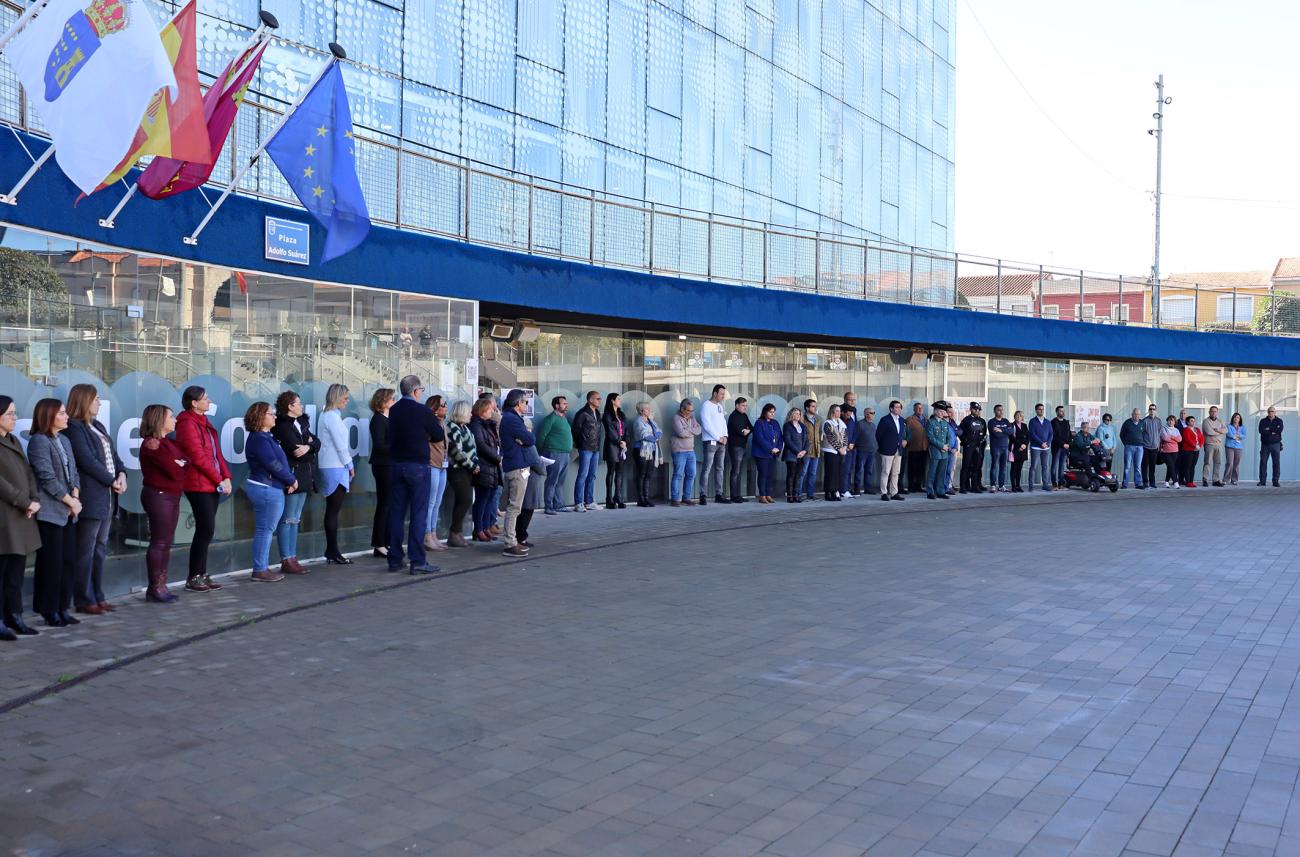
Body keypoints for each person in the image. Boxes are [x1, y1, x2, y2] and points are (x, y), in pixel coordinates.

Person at [64, 384, 125, 615]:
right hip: (92, 497)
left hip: (109, 497)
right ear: (84, 400)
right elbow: (87, 461)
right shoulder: (74, 428)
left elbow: (114, 457)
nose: (99, 403)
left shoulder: (98, 426)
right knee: (86, 550)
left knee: (100, 548)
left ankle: (99, 595)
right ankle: (84, 598)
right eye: (96, 399)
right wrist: (112, 480)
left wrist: (122, 475)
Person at [27, 398, 81, 626]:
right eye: (61, 413)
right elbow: (47, 477)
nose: (66, 416)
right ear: (48, 416)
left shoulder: (65, 440)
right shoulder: (39, 441)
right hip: (51, 511)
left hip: (69, 510)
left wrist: (75, 498)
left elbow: (74, 473)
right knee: (52, 563)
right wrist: (70, 501)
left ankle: (62, 607)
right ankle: (49, 610)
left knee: (68, 561)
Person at [175, 386, 230, 593]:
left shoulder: (205, 423)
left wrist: (227, 477)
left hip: (211, 483)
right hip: (198, 484)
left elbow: (216, 454)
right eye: (205, 399)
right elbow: (198, 457)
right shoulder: (187, 423)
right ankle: (194, 576)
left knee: (207, 529)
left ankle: (202, 573)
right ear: (194, 403)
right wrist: (219, 479)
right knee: (205, 528)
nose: (209, 401)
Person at [388, 375, 444, 574]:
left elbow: (389, 436)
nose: (421, 393)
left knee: (396, 513)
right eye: (421, 389)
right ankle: (417, 560)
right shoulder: (422, 411)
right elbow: (438, 435)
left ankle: (394, 559)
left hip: (396, 465)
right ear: (415, 391)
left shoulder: (393, 410)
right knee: (418, 515)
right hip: (418, 466)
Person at [243, 402, 297, 583]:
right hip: (266, 488)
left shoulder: (266, 436)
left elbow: (277, 464)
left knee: (266, 529)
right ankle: (260, 569)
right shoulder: (259, 438)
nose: (274, 416)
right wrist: (290, 480)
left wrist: (286, 479)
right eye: (270, 413)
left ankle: (261, 568)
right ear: (260, 417)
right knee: (265, 529)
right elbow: (272, 464)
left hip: (271, 487)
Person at [0, 395, 41, 637]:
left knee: (15, 571)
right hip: (6, 516)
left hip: (21, 514)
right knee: (3, 571)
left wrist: (34, 499)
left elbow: (27, 474)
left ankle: (15, 616)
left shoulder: (13, 440)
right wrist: (25, 501)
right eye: (9, 414)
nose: (15, 418)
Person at [137, 404, 185, 603]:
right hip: (159, 495)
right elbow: (174, 470)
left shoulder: (168, 443)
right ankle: (155, 587)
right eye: (171, 416)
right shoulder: (152, 444)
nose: (175, 420)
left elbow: (186, 462)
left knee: (165, 542)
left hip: (170, 495)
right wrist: (179, 465)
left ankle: (162, 585)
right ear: (159, 420)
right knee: (160, 542)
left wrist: (180, 464)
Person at [272, 391, 319, 575]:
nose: (301, 406)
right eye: (298, 403)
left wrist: (309, 446)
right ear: (290, 406)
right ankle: (286, 558)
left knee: (296, 518)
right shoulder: (283, 426)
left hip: (305, 474)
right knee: (288, 517)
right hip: (293, 475)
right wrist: (309, 446)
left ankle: (293, 556)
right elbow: (293, 450)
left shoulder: (302, 422)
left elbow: (317, 442)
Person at [317, 384, 355, 565]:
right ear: (337, 397)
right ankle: (333, 550)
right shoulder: (331, 416)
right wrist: (349, 464)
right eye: (345, 398)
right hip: (335, 466)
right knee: (333, 510)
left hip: (332, 465)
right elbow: (340, 445)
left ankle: (332, 550)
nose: (347, 401)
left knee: (333, 510)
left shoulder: (330, 416)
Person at [499, 389, 536, 557]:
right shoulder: (511, 419)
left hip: (518, 465)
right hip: (516, 466)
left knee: (516, 507)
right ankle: (510, 543)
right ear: (518, 403)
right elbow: (529, 439)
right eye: (525, 402)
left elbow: (526, 440)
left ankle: (513, 540)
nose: (526, 405)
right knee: (514, 507)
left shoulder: (512, 418)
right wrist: (525, 436)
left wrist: (524, 438)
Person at [445, 400, 478, 547]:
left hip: (467, 470)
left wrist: (475, 465)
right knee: (464, 500)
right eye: (469, 411)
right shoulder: (452, 427)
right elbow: (456, 451)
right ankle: (454, 533)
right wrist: (471, 465)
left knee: (465, 501)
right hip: (458, 469)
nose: (471, 414)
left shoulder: (465, 428)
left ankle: (457, 533)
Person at [367, 388, 395, 557]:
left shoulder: (388, 419)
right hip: (383, 465)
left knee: (389, 504)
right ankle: (379, 543)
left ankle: (385, 541)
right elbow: (379, 445)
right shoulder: (378, 420)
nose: (394, 402)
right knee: (384, 504)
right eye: (391, 399)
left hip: (390, 464)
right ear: (383, 402)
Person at [469, 397, 502, 541]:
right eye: (489, 409)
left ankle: (486, 526)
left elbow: (494, 443)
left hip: (491, 466)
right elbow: (481, 445)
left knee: (489, 498)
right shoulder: (477, 425)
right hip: (484, 465)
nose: (492, 411)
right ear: (482, 410)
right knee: (482, 499)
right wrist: (497, 457)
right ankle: (479, 529)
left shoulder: (487, 424)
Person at [535, 395, 573, 515]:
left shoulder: (564, 418)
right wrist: (543, 453)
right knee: (552, 480)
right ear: (557, 405)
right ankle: (549, 506)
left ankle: (559, 505)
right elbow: (541, 437)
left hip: (565, 454)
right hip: (554, 453)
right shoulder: (550, 419)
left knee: (560, 481)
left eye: (566, 403)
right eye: (564, 403)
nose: (566, 405)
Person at [423, 395, 450, 552]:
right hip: (432, 465)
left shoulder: (442, 423)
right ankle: (427, 535)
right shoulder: (429, 424)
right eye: (443, 405)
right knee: (430, 502)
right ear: (434, 409)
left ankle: (433, 533)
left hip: (442, 467)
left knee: (437, 503)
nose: (446, 407)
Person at [571, 391, 602, 511]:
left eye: (600, 399)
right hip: (585, 448)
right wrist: (581, 445)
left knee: (592, 475)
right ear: (590, 400)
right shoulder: (582, 413)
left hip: (595, 448)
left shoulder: (597, 413)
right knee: (582, 475)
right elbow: (575, 431)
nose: (599, 400)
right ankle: (578, 503)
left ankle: (589, 501)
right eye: (597, 398)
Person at [699, 384, 729, 504]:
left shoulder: (720, 406)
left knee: (720, 468)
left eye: (724, 394)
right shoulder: (706, 405)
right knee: (707, 468)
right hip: (711, 442)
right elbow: (706, 424)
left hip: (722, 442)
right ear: (715, 393)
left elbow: (722, 423)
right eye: (721, 394)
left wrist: (725, 436)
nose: (723, 396)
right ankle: (703, 495)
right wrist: (718, 437)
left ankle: (719, 494)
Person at [515, 442, 547, 549]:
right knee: (527, 509)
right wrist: (543, 466)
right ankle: (521, 538)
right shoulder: (529, 445)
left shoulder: (515, 444)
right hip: (529, 479)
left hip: (521, 477)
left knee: (521, 509)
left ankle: (519, 536)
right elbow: (537, 464)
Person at [631, 401, 662, 507]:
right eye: (646, 408)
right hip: (641, 450)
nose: (649, 410)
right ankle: (641, 499)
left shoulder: (651, 421)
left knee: (649, 474)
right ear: (641, 410)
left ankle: (646, 498)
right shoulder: (638, 421)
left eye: (649, 408)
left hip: (651, 450)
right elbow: (643, 435)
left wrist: (654, 436)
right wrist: (654, 437)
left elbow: (659, 431)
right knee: (642, 474)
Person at [670, 400, 701, 507]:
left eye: (692, 410)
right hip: (679, 451)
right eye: (688, 410)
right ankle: (675, 499)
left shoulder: (692, 417)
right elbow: (681, 433)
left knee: (691, 474)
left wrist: (688, 429)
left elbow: (699, 430)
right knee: (678, 475)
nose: (690, 412)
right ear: (682, 409)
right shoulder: (676, 418)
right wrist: (691, 431)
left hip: (690, 450)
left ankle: (686, 498)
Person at [875, 400, 907, 501]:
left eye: (900, 407)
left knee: (896, 472)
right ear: (891, 409)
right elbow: (878, 435)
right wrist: (884, 446)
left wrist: (904, 441)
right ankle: (884, 493)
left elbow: (903, 434)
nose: (899, 409)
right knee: (886, 472)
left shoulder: (902, 420)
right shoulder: (885, 420)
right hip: (887, 450)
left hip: (898, 450)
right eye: (896, 407)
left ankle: (894, 492)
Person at [601, 392, 629, 509]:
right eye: (618, 399)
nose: (620, 401)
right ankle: (609, 499)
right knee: (611, 472)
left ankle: (618, 497)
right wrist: (619, 442)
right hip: (612, 446)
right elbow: (610, 431)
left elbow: (626, 429)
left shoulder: (621, 414)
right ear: (612, 400)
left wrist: (625, 441)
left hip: (622, 446)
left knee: (620, 472)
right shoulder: (607, 415)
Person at [752, 403, 783, 503]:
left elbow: (780, 438)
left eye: (773, 412)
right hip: (762, 454)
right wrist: (771, 448)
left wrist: (778, 448)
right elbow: (759, 439)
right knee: (763, 474)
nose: (772, 414)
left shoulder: (775, 423)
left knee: (770, 474)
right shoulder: (759, 423)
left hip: (773, 454)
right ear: (765, 412)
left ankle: (768, 494)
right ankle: (762, 495)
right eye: (770, 412)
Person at [727, 397, 753, 503]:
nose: (745, 408)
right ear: (737, 405)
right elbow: (739, 431)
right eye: (743, 405)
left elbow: (751, 427)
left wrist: (746, 430)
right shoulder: (733, 416)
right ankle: (734, 496)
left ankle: (738, 495)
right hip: (735, 447)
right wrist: (745, 431)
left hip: (743, 446)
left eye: (746, 406)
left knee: (739, 471)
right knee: (736, 471)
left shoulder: (744, 416)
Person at [958, 402, 987, 493]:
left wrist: (981, 441)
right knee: (966, 466)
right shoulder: (966, 420)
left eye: (978, 410)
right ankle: (963, 486)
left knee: (977, 466)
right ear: (971, 409)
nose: (977, 411)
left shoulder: (982, 421)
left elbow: (984, 433)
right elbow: (959, 432)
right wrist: (965, 441)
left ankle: (975, 486)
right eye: (975, 409)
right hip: (968, 446)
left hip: (978, 446)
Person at [820, 404, 846, 501]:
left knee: (838, 473)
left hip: (840, 452)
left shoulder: (841, 423)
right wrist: (840, 448)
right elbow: (831, 438)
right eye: (837, 411)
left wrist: (844, 447)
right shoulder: (827, 423)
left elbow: (845, 437)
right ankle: (828, 492)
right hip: (830, 451)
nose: (839, 413)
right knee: (830, 473)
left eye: (840, 411)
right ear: (832, 412)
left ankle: (835, 491)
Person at [781, 407, 808, 503]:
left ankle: (797, 495)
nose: (798, 415)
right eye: (796, 413)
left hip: (802, 455)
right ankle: (790, 496)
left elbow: (806, 441)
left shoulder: (803, 426)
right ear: (791, 414)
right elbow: (787, 441)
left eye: (799, 414)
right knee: (791, 475)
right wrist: (797, 452)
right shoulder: (787, 426)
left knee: (798, 475)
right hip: (791, 455)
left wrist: (804, 451)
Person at [926, 402, 950, 500]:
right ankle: (930, 491)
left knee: (942, 472)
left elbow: (949, 436)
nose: (941, 413)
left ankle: (940, 491)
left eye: (943, 411)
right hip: (935, 450)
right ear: (935, 411)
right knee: (932, 471)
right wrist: (941, 446)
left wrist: (947, 445)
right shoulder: (931, 422)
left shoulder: (945, 423)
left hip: (944, 451)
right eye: (939, 411)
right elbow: (930, 437)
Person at [1028, 403, 1053, 492]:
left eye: (1042, 409)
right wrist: (1041, 443)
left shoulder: (1047, 422)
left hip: (1046, 448)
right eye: (1039, 409)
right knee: (1033, 467)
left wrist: (1048, 443)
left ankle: (1045, 485)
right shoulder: (1032, 421)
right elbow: (1032, 434)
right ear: (1036, 410)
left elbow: (1051, 434)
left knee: (1045, 466)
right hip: (1036, 448)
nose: (1041, 411)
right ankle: (1031, 486)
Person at [905, 401, 929, 494]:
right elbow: (906, 433)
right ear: (914, 409)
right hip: (913, 448)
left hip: (924, 448)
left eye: (921, 408)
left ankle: (919, 485)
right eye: (918, 408)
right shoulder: (910, 420)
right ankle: (911, 486)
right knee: (912, 468)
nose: (920, 409)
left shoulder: (926, 420)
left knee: (921, 468)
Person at [1119, 408, 1145, 489]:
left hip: (1140, 447)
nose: (1137, 416)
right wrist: (1126, 444)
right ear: (1132, 414)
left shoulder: (1142, 423)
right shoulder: (1127, 423)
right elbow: (1121, 434)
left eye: (1138, 414)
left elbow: (1144, 434)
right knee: (1127, 466)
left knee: (1138, 466)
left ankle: (1138, 484)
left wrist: (1142, 442)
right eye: (1135, 414)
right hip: (1129, 447)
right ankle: (1125, 484)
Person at [987, 404, 1011, 492]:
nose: (1001, 412)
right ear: (994, 411)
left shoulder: (1006, 421)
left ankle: (1001, 486)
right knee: (994, 466)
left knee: (1003, 467)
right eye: (998, 410)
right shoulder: (991, 422)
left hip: (1005, 447)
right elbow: (995, 434)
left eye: (1002, 410)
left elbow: (1011, 431)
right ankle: (993, 485)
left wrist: (1001, 430)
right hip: (996, 447)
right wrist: (1005, 432)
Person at [799, 399, 819, 502]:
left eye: (815, 406)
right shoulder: (802, 419)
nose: (815, 408)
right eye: (813, 406)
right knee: (802, 472)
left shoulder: (817, 420)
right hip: (806, 450)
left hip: (816, 450)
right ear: (807, 408)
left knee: (813, 473)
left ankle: (810, 494)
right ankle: (799, 493)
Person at [1201, 405, 1226, 487]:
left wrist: (1217, 430)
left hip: (1218, 444)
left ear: (1217, 412)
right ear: (1209, 412)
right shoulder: (1205, 421)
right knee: (1207, 462)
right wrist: (1220, 432)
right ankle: (1205, 479)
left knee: (1218, 462)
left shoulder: (1220, 420)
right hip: (1209, 444)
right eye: (1212, 411)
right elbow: (1209, 432)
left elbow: (1226, 430)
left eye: (1215, 411)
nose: (1213, 413)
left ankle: (1216, 480)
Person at [1258, 406, 1283, 487]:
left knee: (1276, 463)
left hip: (1276, 444)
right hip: (1265, 445)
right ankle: (1262, 481)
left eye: (1272, 411)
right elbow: (1261, 430)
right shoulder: (1263, 421)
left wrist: (1268, 430)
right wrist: (1272, 431)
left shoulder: (1279, 421)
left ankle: (1275, 481)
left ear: (1275, 412)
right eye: (1269, 411)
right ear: (1267, 412)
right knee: (1263, 463)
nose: (1270, 413)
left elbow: (1279, 430)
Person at [1141, 404, 1163, 490]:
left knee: (1152, 466)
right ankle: (1145, 482)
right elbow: (1141, 433)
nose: (1152, 410)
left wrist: (1159, 445)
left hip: (1155, 448)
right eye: (1150, 409)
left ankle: (1152, 483)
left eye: (1153, 409)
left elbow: (1159, 434)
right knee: (1144, 466)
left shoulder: (1158, 421)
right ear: (1148, 410)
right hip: (1146, 447)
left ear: (1156, 410)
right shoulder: (1144, 421)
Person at [857, 405, 878, 496]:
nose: (873, 415)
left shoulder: (873, 425)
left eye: (874, 413)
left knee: (869, 471)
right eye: (871, 413)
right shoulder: (860, 424)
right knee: (859, 470)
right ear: (866, 414)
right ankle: (857, 489)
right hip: (862, 451)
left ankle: (868, 488)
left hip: (871, 451)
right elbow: (855, 437)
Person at [840, 392, 858, 497]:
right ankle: (842, 489)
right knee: (844, 469)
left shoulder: (854, 410)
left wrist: (853, 442)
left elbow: (855, 428)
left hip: (852, 445)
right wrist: (846, 444)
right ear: (845, 400)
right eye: (850, 399)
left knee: (850, 468)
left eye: (854, 399)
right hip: (843, 446)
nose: (852, 401)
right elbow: (841, 430)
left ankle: (847, 488)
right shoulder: (841, 410)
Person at [1050, 405, 1072, 489]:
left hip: (1065, 448)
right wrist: (1062, 444)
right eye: (1061, 411)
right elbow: (1054, 436)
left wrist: (1068, 444)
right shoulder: (1053, 422)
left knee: (1062, 466)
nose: (1063, 412)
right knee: (1054, 465)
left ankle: (1061, 483)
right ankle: (1054, 483)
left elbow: (1069, 434)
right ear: (1057, 412)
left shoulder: (1066, 422)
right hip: (1057, 447)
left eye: (1063, 411)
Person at [1179, 415, 1204, 488]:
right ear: (1187, 422)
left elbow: (1202, 438)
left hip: (1196, 450)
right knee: (1187, 466)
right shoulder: (1186, 430)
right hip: (1188, 450)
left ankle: (1191, 481)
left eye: (1194, 421)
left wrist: (1200, 445)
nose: (1193, 422)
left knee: (1193, 466)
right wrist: (1194, 446)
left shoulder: (1197, 429)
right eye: (1191, 421)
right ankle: (1187, 482)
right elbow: (1188, 439)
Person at [1009, 410, 1029, 492]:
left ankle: (1018, 486)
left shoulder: (1024, 425)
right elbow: (1011, 438)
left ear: (1022, 417)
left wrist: (1024, 445)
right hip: (1015, 449)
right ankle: (1013, 486)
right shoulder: (1011, 425)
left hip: (1023, 450)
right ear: (1014, 417)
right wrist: (1020, 445)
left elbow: (1028, 437)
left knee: (1019, 469)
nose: (1018, 417)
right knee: (1014, 468)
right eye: (1017, 416)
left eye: (1020, 416)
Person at [1159, 415, 1182, 487]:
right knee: (1171, 466)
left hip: (1175, 451)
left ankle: (1166, 481)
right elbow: (1165, 438)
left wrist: (1171, 437)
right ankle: (1175, 482)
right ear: (1167, 421)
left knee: (1170, 467)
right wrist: (1174, 439)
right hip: (1166, 451)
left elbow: (1180, 439)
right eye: (1169, 420)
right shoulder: (1163, 429)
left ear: (1174, 422)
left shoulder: (1176, 430)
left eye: (1172, 420)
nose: (1171, 422)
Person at [1225, 412, 1245, 485]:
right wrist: (1236, 436)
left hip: (1239, 447)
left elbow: (1244, 435)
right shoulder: (1229, 426)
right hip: (1230, 447)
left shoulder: (1242, 427)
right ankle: (1226, 479)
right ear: (1233, 418)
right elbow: (1229, 434)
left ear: (1240, 419)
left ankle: (1234, 480)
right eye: (1235, 417)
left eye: (1238, 418)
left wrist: (1238, 435)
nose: (1236, 419)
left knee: (1236, 464)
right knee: (1230, 463)